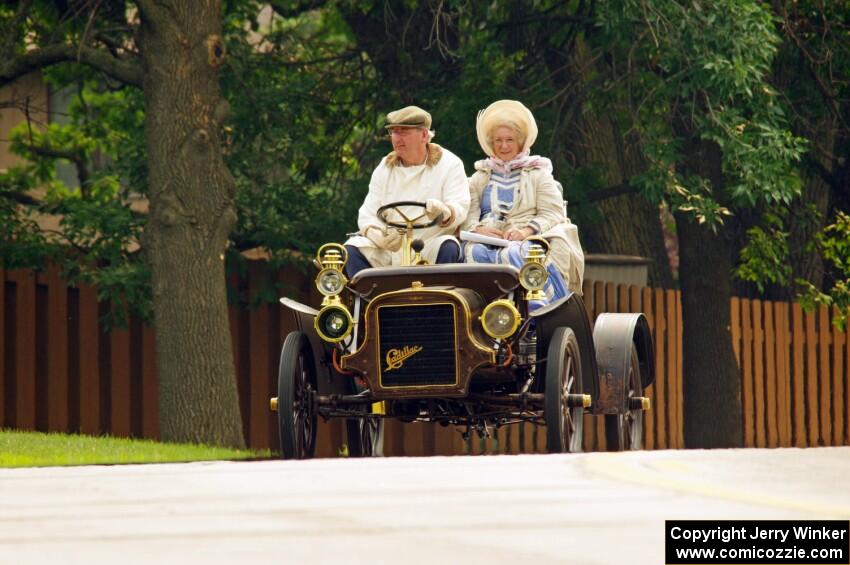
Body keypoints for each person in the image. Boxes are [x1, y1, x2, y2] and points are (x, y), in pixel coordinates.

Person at [461, 99, 584, 305]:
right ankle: (483, 313)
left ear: (520, 141)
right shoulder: (479, 176)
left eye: (509, 140)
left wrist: (525, 232)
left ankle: (531, 308)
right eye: (498, 140)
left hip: (528, 238)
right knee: (473, 252)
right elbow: (468, 215)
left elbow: (553, 213)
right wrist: (478, 230)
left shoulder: (539, 173)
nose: (504, 146)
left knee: (515, 252)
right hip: (487, 240)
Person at [344, 106, 469, 277]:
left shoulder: (449, 164)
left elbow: (460, 205)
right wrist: (378, 234)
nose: (396, 138)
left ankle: (438, 301)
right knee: (352, 248)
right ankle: (371, 302)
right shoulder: (385, 167)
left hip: (428, 245)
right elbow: (368, 213)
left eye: (404, 132)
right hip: (391, 247)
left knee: (448, 245)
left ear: (424, 135)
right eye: (393, 132)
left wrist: (445, 211)